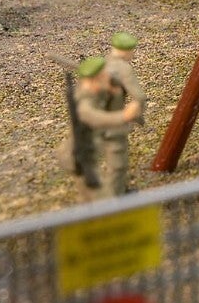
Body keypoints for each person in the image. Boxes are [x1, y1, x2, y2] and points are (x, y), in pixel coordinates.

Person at [62, 56, 142, 201]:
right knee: (94, 192)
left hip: (90, 150)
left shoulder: (96, 91)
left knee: (97, 187)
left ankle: (112, 199)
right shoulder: (84, 102)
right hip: (78, 155)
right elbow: (95, 117)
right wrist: (124, 116)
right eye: (104, 76)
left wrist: (114, 91)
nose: (108, 77)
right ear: (94, 80)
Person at [101, 32, 147, 196]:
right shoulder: (123, 68)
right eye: (132, 51)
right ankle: (115, 197)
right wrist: (136, 113)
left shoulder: (103, 63)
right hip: (114, 122)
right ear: (126, 51)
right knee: (117, 162)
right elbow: (139, 96)